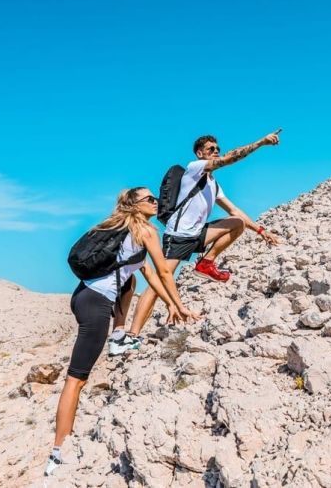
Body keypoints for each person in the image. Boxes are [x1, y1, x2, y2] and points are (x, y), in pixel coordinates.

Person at [45, 187, 195, 476]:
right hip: (97, 305)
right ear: (135, 205)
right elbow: (164, 271)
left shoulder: (120, 228)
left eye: (154, 198)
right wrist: (181, 305)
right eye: (149, 199)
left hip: (82, 296)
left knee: (130, 280)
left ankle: (118, 336)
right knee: (76, 380)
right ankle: (57, 453)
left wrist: (169, 304)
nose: (155, 202)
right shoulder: (146, 231)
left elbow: (148, 274)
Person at [126, 130, 281, 337]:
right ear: (200, 153)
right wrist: (261, 142)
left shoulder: (213, 184)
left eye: (218, 148)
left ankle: (206, 262)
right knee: (158, 284)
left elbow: (234, 211)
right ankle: (133, 334)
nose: (216, 151)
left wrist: (261, 231)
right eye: (211, 149)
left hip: (198, 234)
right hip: (178, 236)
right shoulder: (194, 169)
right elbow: (229, 159)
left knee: (237, 223)